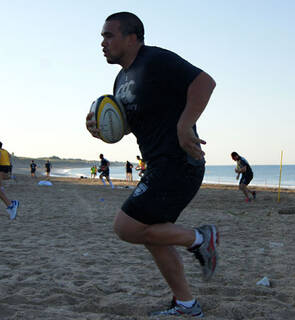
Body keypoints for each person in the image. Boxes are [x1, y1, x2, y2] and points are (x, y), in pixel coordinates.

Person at [86, 12, 218, 317]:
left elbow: (204, 82)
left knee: (126, 227)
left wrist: (186, 124)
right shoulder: (121, 79)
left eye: (109, 35)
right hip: (158, 164)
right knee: (153, 235)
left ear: (132, 37)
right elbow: (127, 126)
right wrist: (99, 129)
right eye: (102, 37)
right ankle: (187, 305)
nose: (103, 43)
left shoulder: (156, 60)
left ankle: (201, 238)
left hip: (178, 162)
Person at [0, 142, 19, 220]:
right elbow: (9, 156)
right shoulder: (5, 151)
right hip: (6, 168)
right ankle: (11, 205)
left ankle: (11, 205)